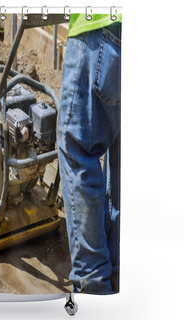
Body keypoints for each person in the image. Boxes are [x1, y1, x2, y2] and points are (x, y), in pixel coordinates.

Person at [57, 13, 122, 294]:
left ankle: (93, 285)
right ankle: (121, 273)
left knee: (79, 153)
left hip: (99, 28)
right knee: (125, 163)